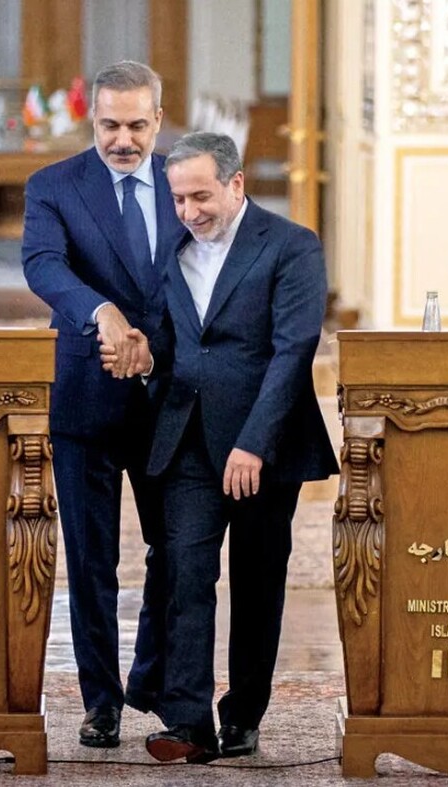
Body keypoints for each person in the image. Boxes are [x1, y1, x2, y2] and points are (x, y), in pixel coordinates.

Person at [104, 131, 338, 763]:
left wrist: (254, 444)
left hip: (267, 446)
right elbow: (171, 338)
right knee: (184, 572)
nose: (188, 212)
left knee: (258, 582)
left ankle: (243, 715)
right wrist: (144, 354)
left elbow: (293, 351)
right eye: (178, 199)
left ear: (236, 184)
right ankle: (187, 722)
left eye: (200, 197)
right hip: (186, 438)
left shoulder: (291, 246)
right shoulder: (172, 249)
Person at [21, 60, 183, 748]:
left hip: (169, 394)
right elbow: (43, 265)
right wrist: (102, 312)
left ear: (158, 121)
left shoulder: (184, 180)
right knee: (90, 561)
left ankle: (150, 679)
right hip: (85, 394)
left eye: (137, 125)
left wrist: (153, 346)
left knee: (176, 548)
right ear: (93, 120)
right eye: (111, 125)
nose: (123, 139)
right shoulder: (53, 186)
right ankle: (101, 702)